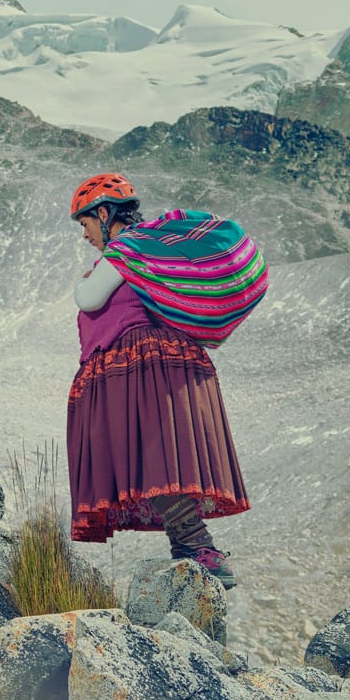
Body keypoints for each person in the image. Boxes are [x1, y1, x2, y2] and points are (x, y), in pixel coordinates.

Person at [66, 173, 249, 586]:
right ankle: (192, 551)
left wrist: (86, 280)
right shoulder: (152, 250)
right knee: (161, 459)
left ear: (103, 213)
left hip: (142, 365)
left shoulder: (125, 251)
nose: (85, 235)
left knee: (152, 456)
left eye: (85, 224)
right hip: (167, 361)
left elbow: (88, 298)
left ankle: (199, 549)